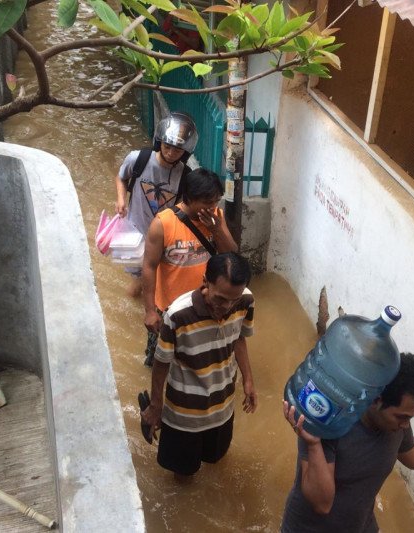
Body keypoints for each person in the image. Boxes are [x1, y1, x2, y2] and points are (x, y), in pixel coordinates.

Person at [281, 352, 414, 532]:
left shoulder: (397, 425)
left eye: (411, 418)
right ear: (376, 400)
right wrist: (312, 443)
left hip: (361, 526)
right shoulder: (329, 420)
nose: (405, 425)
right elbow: (322, 503)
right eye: (402, 416)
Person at [140, 252, 257, 478]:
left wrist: (249, 381)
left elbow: (239, 337)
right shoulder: (177, 315)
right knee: (183, 475)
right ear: (205, 281)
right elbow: (161, 361)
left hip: (223, 406)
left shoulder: (246, 300)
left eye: (234, 299)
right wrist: (156, 406)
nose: (228, 306)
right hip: (184, 415)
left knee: (216, 461)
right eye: (221, 299)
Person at [141, 167, 237, 366]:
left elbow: (231, 256)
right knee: (159, 361)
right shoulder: (163, 224)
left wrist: (217, 230)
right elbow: (149, 267)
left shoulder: (216, 217)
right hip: (168, 308)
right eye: (207, 202)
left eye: (216, 201)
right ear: (189, 198)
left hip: (205, 305)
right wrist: (149, 311)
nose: (213, 206)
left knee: (200, 360)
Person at [113, 112, 198, 297]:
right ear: (159, 142)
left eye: (177, 150)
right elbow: (121, 178)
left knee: (158, 280)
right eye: (167, 146)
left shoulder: (186, 176)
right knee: (139, 282)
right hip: (136, 233)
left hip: (164, 237)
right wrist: (120, 200)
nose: (170, 153)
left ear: (186, 152)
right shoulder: (138, 159)